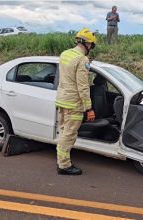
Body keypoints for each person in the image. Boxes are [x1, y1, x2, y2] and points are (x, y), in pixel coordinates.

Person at [55, 28, 96, 175]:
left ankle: (62, 161)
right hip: (74, 103)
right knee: (69, 135)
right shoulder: (82, 59)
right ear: (88, 44)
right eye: (91, 45)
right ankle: (64, 165)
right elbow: (83, 86)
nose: (91, 47)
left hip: (62, 100)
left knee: (64, 132)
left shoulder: (65, 54)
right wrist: (89, 108)